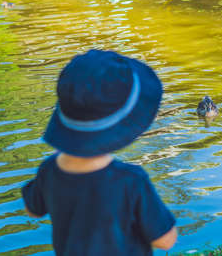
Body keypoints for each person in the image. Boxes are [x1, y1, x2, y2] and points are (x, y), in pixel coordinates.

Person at [22, 50, 177, 255]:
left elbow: (33, 210)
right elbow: (165, 241)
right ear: (125, 126)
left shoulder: (49, 170)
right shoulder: (131, 181)